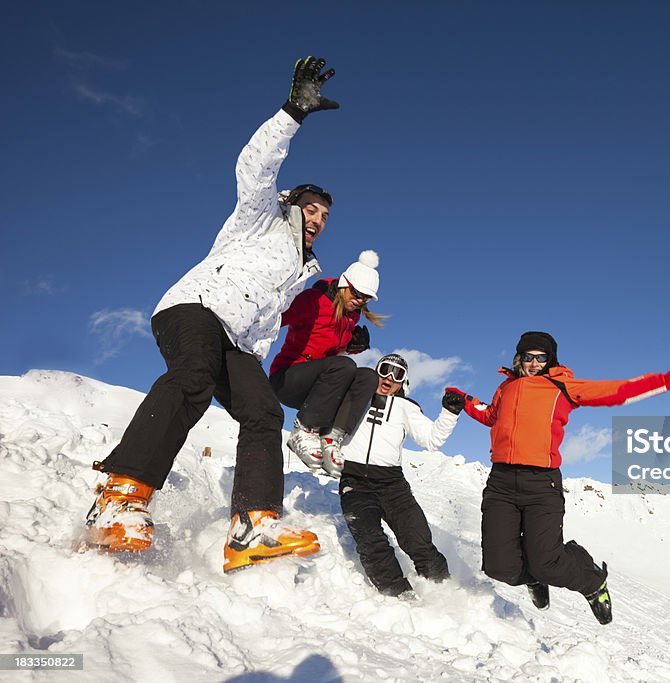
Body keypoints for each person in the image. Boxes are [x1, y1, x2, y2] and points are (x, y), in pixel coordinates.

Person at [83, 56, 341, 574]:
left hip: (236, 339)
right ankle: (120, 497)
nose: (317, 219)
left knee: (264, 411)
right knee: (194, 378)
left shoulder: (302, 268)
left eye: (325, 216)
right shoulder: (259, 218)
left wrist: (255, 362)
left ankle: (253, 526)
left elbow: (267, 321)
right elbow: (254, 165)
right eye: (310, 208)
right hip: (193, 309)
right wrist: (294, 112)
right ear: (291, 204)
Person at [446, 331, 670, 624]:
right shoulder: (507, 387)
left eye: (542, 358)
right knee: (499, 568)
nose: (534, 363)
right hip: (501, 483)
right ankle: (533, 578)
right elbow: (490, 415)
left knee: (548, 563)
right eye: (529, 357)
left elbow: (613, 391)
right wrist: (464, 400)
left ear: (550, 360)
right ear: (519, 359)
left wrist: (662, 382)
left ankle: (592, 582)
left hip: (541, 484)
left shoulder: (561, 385)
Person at [337, 354, 463, 596]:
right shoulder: (354, 396)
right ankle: (398, 593)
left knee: (418, 540)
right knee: (370, 539)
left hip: (392, 485)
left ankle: (445, 591)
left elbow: (431, 440)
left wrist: (449, 413)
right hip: (355, 483)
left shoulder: (407, 408)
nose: (389, 378)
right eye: (385, 370)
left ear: (403, 383)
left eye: (398, 374)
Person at [268, 250, 385, 476]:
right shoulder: (313, 300)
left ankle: (332, 438)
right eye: (356, 293)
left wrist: (351, 346)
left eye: (366, 298)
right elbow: (276, 318)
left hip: (316, 390)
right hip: (287, 378)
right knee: (344, 366)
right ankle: (304, 430)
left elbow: (326, 346)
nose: (359, 300)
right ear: (344, 284)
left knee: (367, 377)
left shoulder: (353, 316)